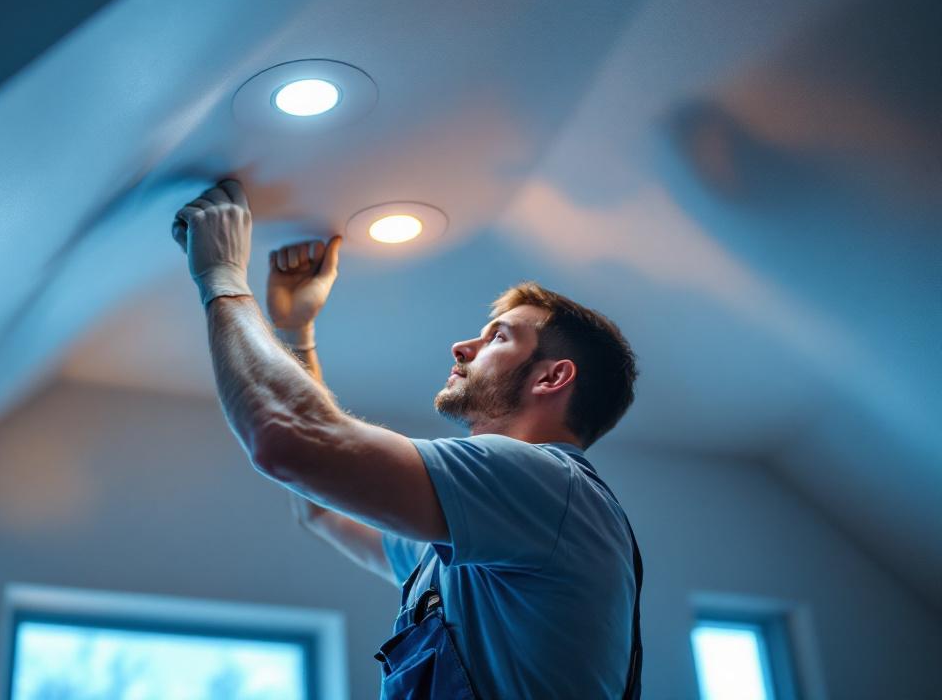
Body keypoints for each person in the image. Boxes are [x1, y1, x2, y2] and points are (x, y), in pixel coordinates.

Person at [172, 178, 643, 699]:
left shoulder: (548, 482)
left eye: (498, 337)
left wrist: (222, 278)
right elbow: (323, 508)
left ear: (550, 378)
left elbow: (286, 439)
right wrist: (293, 334)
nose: (462, 346)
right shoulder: (480, 532)